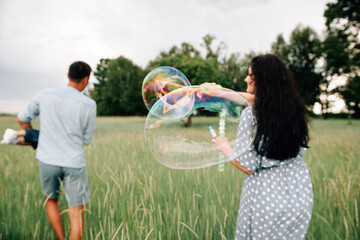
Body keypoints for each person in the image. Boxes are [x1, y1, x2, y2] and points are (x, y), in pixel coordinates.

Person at [212, 54, 313, 239]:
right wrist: (219, 92)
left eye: (250, 75)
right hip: (299, 196)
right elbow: (254, 98)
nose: (245, 79)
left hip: (265, 198)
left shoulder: (251, 115)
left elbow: (248, 167)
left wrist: (225, 147)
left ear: (261, 80)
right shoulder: (295, 110)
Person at [16, 61, 96, 240]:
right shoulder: (89, 104)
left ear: (68, 75)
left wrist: (34, 136)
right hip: (74, 162)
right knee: (76, 212)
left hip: (47, 159)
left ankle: (60, 238)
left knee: (51, 200)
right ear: (85, 80)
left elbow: (22, 119)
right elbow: (87, 139)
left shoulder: (45, 94)